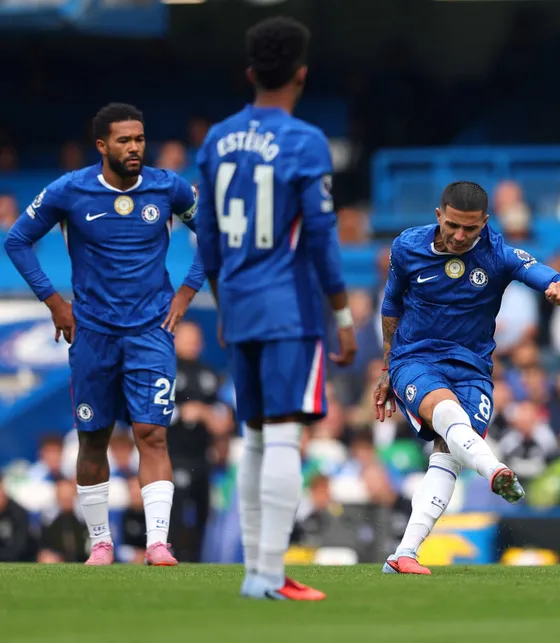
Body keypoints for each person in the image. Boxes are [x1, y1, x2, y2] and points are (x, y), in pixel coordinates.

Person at [194, 16, 356, 601]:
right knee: (284, 436)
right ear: (302, 74)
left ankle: (255, 575)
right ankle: (267, 572)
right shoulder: (305, 141)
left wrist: (221, 300)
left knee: (255, 437)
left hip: (237, 301)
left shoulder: (215, 139)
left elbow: (206, 236)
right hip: (288, 306)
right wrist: (341, 316)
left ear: (249, 72)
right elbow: (321, 237)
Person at [4, 103, 206, 567]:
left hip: (150, 331)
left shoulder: (167, 186)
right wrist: (54, 303)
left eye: (139, 139)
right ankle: (100, 543)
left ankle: (158, 543)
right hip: (92, 333)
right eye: (124, 140)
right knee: (93, 437)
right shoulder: (69, 190)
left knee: (152, 434)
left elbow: (212, 233)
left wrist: (187, 293)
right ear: (102, 145)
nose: (134, 148)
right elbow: (17, 240)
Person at [373, 180, 560, 575]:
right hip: (415, 358)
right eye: (452, 225)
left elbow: (555, 278)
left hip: (473, 369)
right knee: (448, 414)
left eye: (470, 228)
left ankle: (404, 554)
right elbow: (391, 304)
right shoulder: (406, 247)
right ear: (439, 215)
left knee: (448, 453)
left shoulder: (499, 254)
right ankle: (494, 470)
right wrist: (387, 368)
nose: (460, 235)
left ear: (484, 223)